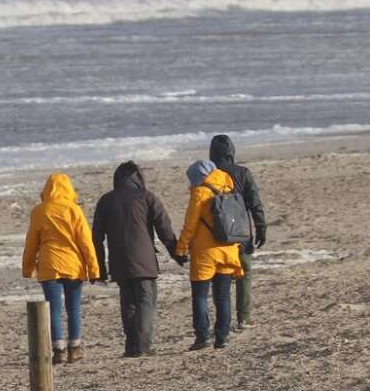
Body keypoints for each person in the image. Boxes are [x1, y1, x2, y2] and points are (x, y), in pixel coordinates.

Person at [91, 161, 183, 357]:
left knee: (128, 302)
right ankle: (143, 346)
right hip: (144, 261)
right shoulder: (147, 197)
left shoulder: (106, 201)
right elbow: (164, 229)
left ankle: (132, 346)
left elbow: (96, 238)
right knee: (145, 302)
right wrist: (177, 254)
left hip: (119, 261)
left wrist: (99, 268)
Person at [21, 173, 100, 365]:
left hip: (49, 266)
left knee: (53, 310)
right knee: (73, 307)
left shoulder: (39, 211)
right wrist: (94, 269)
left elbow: (31, 242)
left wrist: (28, 267)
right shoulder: (74, 210)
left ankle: (58, 351)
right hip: (73, 265)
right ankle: (74, 349)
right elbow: (86, 242)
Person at [174, 158, 243, 350]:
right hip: (229, 247)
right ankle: (222, 337)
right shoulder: (228, 186)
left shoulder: (200, 192)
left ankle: (202, 336)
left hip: (205, 252)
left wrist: (180, 249)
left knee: (200, 295)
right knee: (223, 296)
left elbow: (190, 225)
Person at [208, 135, 268, 330]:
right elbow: (254, 203)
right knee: (245, 273)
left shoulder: (208, 175)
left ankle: (223, 320)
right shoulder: (243, 173)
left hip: (216, 233)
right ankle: (244, 317)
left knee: (220, 277)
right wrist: (261, 227)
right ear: (231, 152)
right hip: (241, 232)